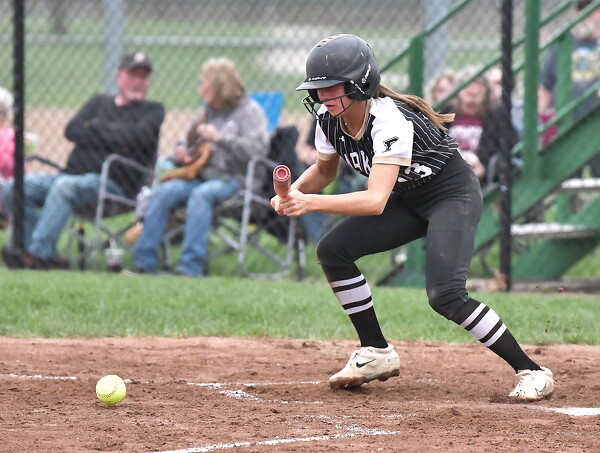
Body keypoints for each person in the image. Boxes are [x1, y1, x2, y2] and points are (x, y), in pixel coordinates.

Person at [273, 34, 554, 401]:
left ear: (360, 84)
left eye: (332, 86)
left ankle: (533, 371)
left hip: (451, 194)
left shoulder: (389, 120)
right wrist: (294, 193)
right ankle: (376, 351)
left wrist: (310, 203)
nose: (322, 95)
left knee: (446, 296)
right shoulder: (329, 119)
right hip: (409, 197)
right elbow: (325, 172)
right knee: (332, 251)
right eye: (318, 88)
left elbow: (375, 200)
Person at [1, 52, 165, 269]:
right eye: (133, 75)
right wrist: (117, 137)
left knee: (64, 187)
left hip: (113, 186)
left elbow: (138, 136)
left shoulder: (153, 111)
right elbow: (72, 130)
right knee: (15, 187)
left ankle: (40, 253)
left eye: (143, 77)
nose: (138, 81)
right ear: (118, 76)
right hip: (69, 176)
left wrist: (96, 127)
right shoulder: (98, 102)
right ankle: (28, 251)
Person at [127, 57, 269, 277]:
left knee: (201, 195)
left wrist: (220, 139)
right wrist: (181, 152)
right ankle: (144, 262)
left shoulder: (250, 112)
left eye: (204, 83)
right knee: (165, 192)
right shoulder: (206, 112)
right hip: (202, 175)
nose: (200, 88)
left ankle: (191, 267)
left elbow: (258, 150)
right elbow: (186, 141)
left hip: (236, 179)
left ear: (219, 85)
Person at [539, 0, 600, 172]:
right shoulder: (562, 44)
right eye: (580, 9)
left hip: (596, 125)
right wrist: (542, 124)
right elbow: (545, 88)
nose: (585, 15)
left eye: (591, 9)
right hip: (567, 127)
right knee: (566, 179)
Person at [440, 66, 517, 186]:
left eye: (478, 84)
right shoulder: (445, 113)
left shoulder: (496, 117)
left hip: (480, 179)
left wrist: (484, 167)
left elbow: (508, 146)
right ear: (458, 90)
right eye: (468, 83)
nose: (473, 88)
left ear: (486, 91)